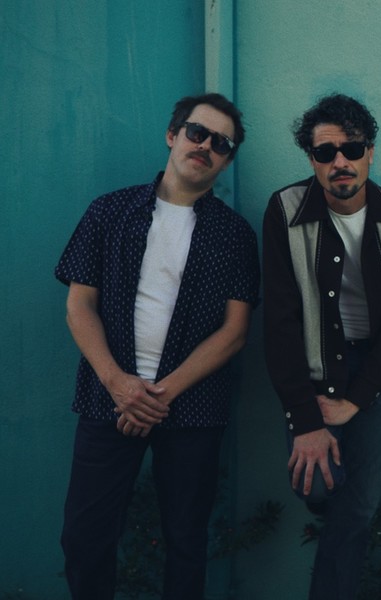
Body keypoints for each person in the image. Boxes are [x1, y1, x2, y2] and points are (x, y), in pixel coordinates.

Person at [56, 92, 260, 600]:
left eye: (221, 143)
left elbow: (235, 331)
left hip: (192, 408)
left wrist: (156, 396)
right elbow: (79, 306)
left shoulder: (235, 235)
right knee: (84, 538)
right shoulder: (109, 212)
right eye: (197, 132)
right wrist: (119, 385)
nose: (206, 146)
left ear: (227, 159)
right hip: (108, 399)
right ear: (173, 135)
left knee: (186, 542)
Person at [262, 93, 381, 600]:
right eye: (325, 152)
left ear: (369, 152)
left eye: (352, 149)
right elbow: (279, 322)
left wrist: (355, 401)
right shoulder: (286, 209)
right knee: (317, 485)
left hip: (373, 371)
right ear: (311, 158)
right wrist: (308, 421)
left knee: (358, 507)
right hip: (310, 365)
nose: (340, 162)